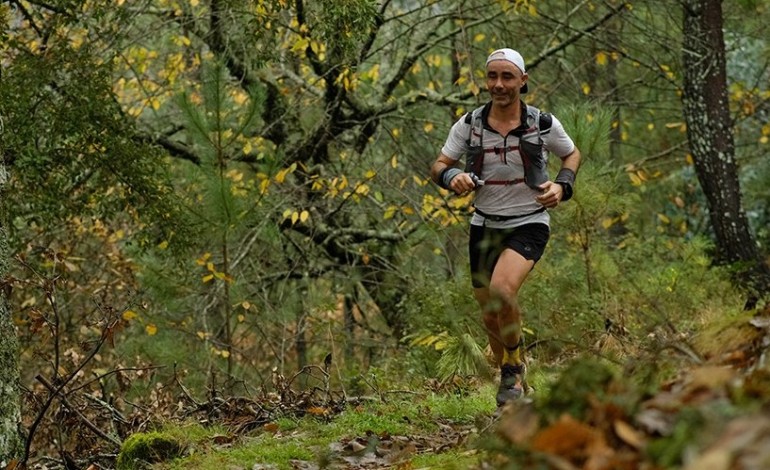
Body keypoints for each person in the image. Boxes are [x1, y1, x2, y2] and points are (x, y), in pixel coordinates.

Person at [430, 48, 581, 407]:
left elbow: (571, 154)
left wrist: (562, 186)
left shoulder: (542, 123)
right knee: (488, 314)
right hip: (484, 224)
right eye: (492, 77)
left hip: (529, 221)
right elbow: (438, 164)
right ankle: (513, 370)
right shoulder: (469, 124)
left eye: (507, 77)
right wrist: (453, 177)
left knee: (502, 290)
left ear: (523, 81)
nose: (499, 84)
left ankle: (511, 370)